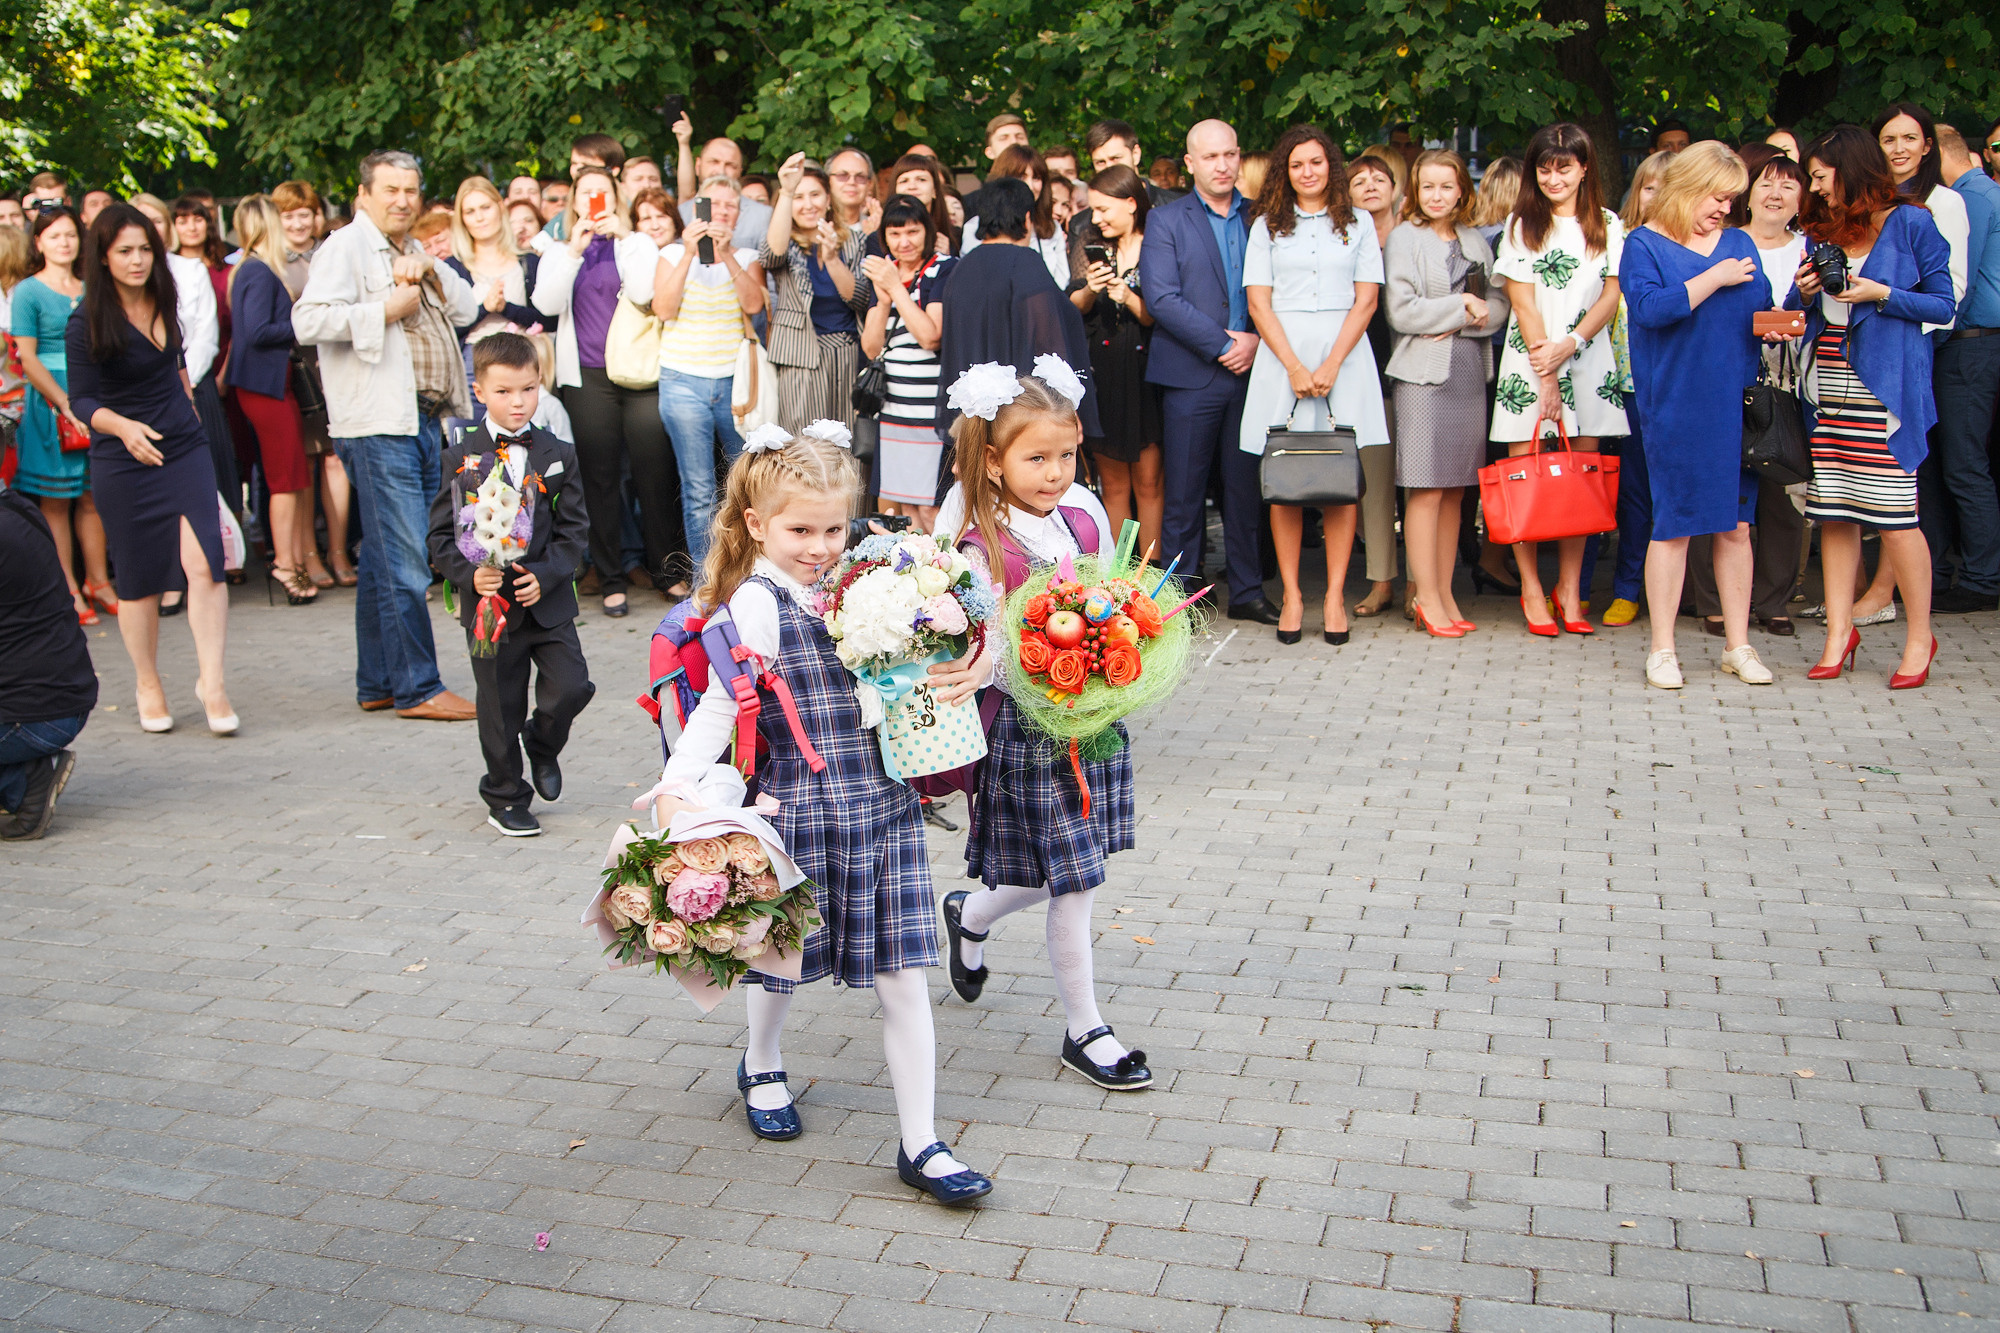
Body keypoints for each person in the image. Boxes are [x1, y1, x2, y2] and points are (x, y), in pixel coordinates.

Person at [657, 423, 994, 1205]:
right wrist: (676, 784)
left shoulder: (867, 582)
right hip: (798, 810)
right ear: (757, 525)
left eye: (833, 528)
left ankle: (922, 1143)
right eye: (800, 529)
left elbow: (917, 666)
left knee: (904, 975)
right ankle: (762, 1060)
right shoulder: (754, 604)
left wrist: (951, 641)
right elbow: (721, 702)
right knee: (779, 961)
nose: (819, 545)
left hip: (882, 806)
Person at [942, 364, 1152, 1091]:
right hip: (1029, 735)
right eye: (1036, 457)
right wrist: (1025, 661)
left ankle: (969, 913)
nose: (1055, 471)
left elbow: (1102, 596)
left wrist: (1121, 644)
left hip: (1088, 724)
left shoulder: (1082, 519)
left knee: (1070, 868)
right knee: (1077, 882)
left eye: (1065, 455)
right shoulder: (982, 545)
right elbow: (993, 648)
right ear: (994, 460)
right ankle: (1085, 1027)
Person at [293, 150, 480, 722]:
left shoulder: (415, 250)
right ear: (364, 196)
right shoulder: (344, 247)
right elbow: (306, 320)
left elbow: (468, 308)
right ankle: (418, 688)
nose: (402, 200)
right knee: (405, 563)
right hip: (376, 424)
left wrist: (431, 272)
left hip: (422, 419)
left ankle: (377, 682)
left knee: (380, 557)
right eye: (391, 190)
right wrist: (383, 310)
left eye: (411, 190)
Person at [1794, 124, 1955, 688]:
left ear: (1850, 168)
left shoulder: (1911, 221)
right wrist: (1806, 291)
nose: (1813, 188)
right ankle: (1840, 632)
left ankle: (1919, 636)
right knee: (1834, 515)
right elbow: (1803, 310)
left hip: (1884, 392)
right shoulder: (1824, 230)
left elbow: (1942, 303)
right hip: (1830, 388)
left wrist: (1880, 293)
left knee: (1895, 520)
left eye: (1819, 176)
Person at [1621, 143, 1783, 690]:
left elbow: (1757, 310)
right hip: (1675, 405)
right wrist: (1714, 277)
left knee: (1737, 527)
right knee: (1672, 529)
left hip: (1735, 404)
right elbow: (1648, 309)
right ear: (1687, 186)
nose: (1725, 209)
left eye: (1731, 199)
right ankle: (1663, 649)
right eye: (1717, 197)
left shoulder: (1740, 242)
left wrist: (1784, 323)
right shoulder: (1643, 244)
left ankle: (1738, 645)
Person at [68, 203, 234, 734]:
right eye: (125, 252)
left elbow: (180, 369)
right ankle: (147, 681)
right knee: (138, 581)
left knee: (206, 564)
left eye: (145, 249)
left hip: (183, 447)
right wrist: (123, 428)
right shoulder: (85, 318)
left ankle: (212, 683)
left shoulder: (167, 298)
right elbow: (82, 401)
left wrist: (189, 416)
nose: (138, 260)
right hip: (122, 456)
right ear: (104, 257)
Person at [427, 333, 593, 837]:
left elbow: (575, 532)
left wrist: (545, 575)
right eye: (503, 391)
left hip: (545, 603)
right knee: (498, 702)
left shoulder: (558, 453)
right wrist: (467, 575)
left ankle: (542, 742)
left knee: (571, 686)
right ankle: (505, 794)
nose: (517, 401)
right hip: (488, 606)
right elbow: (438, 536)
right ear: (480, 391)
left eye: (527, 388)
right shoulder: (460, 456)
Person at [1239, 126, 1389, 645]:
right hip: (1283, 355)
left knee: (1340, 481)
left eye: (1317, 163)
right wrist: (1297, 368)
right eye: (1298, 164)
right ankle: (1294, 596)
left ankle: (1332, 596)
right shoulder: (1266, 226)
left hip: (1344, 353)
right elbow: (1259, 302)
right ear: (1286, 169)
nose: (1308, 172)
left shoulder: (1360, 223)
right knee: (1285, 483)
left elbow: (1366, 299)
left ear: (1332, 166)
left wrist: (1330, 364)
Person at [1490, 122, 1629, 635]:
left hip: (1587, 359)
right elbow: (1523, 302)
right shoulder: (1521, 223)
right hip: (1530, 362)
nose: (1553, 177)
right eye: (1544, 167)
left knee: (1582, 478)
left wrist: (1573, 344)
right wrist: (1546, 370)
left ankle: (1569, 589)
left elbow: (1611, 295)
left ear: (1584, 167)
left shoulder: (1609, 223)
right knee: (1522, 475)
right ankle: (1530, 587)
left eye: (1563, 167)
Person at [1142, 118, 1277, 626]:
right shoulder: (1167, 220)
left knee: (1246, 490)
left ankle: (1247, 590)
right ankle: (1182, 599)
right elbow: (1161, 298)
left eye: (1230, 154)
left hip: (1255, 372)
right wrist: (1224, 344)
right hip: (1193, 374)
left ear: (1239, 157)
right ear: (1190, 163)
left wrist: (1259, 342)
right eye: (1210, 156)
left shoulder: (1263, 217)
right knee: (1184, 495)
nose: (1222, 165)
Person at [1677, 145, 1812, 639]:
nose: (1776, 193)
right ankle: (1711, 602)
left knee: (1782, 490)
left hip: (1788, 381)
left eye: (1789, 184)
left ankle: (1774, 599)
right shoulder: (1724, 242)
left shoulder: (1811, 249)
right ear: (1746, 195)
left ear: (1803, 197)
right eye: (1766, 183)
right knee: (1718, 491)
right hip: (1725, 380)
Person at [530, 163, 673, 615]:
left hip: (638, 373)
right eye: (585, 193)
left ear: (616, 198)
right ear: (574, 203)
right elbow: (546, 304)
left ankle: (667, 571)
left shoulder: (638, 244)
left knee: (654, 474)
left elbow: (646, 291)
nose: (594, 200)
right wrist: (573, 250)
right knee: (599, 480)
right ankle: (611, 577)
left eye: (603, 192)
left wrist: (624, 239)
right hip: (587, 376)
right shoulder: (560, 250)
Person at [1385, 149, 1509, 639]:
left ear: (1463, 190)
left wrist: (1474, 316)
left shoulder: (1477, 239)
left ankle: (1445, 591)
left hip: (1466, 372)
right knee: (1426, 488)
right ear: (1416, 191)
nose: (1437, 196)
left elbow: (1498, 305)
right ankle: (1425, 597)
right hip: (1421, 377)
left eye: (1446, 186)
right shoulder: (1403, 238)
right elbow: (1401, 312)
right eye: (1428, 187)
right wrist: (1460, 307)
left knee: (1456, 491)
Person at [932, 177, 1099, 505]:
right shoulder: (1027, 264)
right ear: (1026, 218)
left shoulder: (961, 269)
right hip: (1024, 421)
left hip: (975, 421)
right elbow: (1050, 341)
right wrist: (1066, 406)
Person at [653, 176, 764, 569]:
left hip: (736, 385)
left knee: (746, 483)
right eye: (712, 206)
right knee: (699, 488)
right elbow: (663, 309)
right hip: (683, 380)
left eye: (729, 207)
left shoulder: (748, 256)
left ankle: (746, 569)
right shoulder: (670, 253)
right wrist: (688, 252)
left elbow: (753, 305)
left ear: (737, 214)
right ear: (696, 212)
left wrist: (728, 253)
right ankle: (705, 577)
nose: (720, 213)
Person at [13, 208, 108, 625]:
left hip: (94, 393)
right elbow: (27, 357)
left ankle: (99, 582)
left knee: (94, 496)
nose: (64, 243)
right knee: (56, 499)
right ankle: (68, 587)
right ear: (39, 242)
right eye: (54, 236)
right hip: (51, 401)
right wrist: (66, 404)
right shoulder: (28, 292)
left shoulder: (92, 287)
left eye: (71, 235)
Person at [1918, 126, 2000, 611]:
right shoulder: (1983, 192)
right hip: (1973, 344)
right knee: (1955, 461)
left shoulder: (1966, 198)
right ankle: (1953, 572)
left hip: (1967, 344)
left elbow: (1958, 286)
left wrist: (1932, 335)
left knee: (1964, 464)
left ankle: (1981, 579)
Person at [225, 194, 320, 605]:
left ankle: (295, 558)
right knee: (284, 479)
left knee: (295, 475)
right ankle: (284, 563)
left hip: (272, 386)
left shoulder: (252, 269)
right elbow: (256, 330)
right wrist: (302, 317)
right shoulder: (258, 272)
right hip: (265, 388)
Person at [1596, 150, 1674, 629]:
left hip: (1658, 390)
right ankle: (1598, 588)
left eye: (1669, 187)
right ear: (1636, 192)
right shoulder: (1614, 240)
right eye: (1649, 186)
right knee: (1608, 491)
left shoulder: (1687, 246)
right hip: (1608, 384)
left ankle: (1636, 588)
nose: (1658, 196)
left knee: (1645, 495)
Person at [1070, 165, 1163, 558]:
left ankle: (1153, 570)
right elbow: (1070, 306)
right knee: (1114, 484)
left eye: (1103, 209)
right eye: (1092, 210)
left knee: (1149, 482)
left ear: (1130, 204)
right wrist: (1091, 290)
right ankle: (1120, 571)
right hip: (1103, 373)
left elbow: (1159, 314)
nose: (1096, 219)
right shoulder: (1089, 244)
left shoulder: (1159, 241)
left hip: (1146, 374)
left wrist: (1130, 298)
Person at [271, 179, 355, 590]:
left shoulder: (332, 253)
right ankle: (308, 553)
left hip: (333, 363)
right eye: (289, 214)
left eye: (305, 213)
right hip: (294, 368)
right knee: (303, 461)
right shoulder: (270, 262)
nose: (299, 221)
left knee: (336, 458)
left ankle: (338, 549)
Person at [130, 193, 226, 535]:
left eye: (156, 220)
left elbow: (204, 334)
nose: (149, 229)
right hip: (140, 395)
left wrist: (183, 385)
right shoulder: (119, 279)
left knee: (204, 475)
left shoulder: (190, 269)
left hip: (193, 386)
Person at [860, 195, 954, 528]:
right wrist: (884, 297)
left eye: (912, 232)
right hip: (894, 409)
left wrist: (896, 289)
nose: (904, 242)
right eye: (895, 234)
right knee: (902, 510)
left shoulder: (942, 268)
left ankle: (947, 573)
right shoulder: (886, 272)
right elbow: (871, 348)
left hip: (931, 411)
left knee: (932, 509)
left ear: (927, 231)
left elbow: (931, 336)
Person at [761, 154, 873, 433]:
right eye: (799, 197)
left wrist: (833, 258)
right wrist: (786, 190)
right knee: (803, 442)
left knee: (846, 442)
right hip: (800, 356)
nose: (808, 204)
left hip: (847, 353)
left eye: (815, 195)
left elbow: (860, 298)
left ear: (827, 200)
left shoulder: (854, 240)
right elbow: (770, 257)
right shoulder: (784, 241)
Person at [1346, 151, 1404, 618]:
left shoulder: (1415, 234)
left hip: (1422, 375)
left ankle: (1427, 585)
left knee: (1427, 488)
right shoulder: (1345, 239)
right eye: (1358, 179)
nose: (1369, 185)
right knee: (1376, 486)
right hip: (1370, 376)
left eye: (1379, 177)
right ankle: (1382, 581)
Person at [962, 146, 1070, 287]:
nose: (1030, 185)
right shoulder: (975, 228)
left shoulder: (1051, 226)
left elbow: (1062, 281)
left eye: (1036, 178)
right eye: (1021, 176)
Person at [671, 115, 775, 248]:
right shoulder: (679, 213)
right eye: (714, 162)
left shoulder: (763, 215)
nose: (721, 170)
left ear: (740, 172)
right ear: (698, 166)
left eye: (730, 165)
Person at [957, 113, 1035, 221]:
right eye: (1004, 138)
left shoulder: (1042, 195)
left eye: (1019, 137)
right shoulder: (970, 204)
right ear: (989, 152)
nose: (1013, 142)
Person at [885, 153, 959, 253]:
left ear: (935, 190)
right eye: (904, 181)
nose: (912, 186)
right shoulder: (876, 239)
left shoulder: (953, 235)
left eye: (921, 180)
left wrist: (947, 257)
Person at [827, 147, 880, 237]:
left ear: (869, 184)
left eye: (860, 177)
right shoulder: (813, 225)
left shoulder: (879, 229)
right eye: (843, 175)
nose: (851, 182)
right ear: (828, 181)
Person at [630, 186, 679, 251]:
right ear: (635, 226)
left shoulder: (692, 256)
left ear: (675, 221)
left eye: (661, 216)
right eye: (646, 219)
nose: (655, 226)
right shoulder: (626, 259)